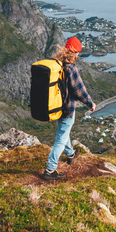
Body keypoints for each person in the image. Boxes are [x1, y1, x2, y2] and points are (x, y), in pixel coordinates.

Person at [42, 36, 95, 181]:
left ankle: (71, 155)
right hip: (67, 109)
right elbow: (79, 91)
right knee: (61, 138)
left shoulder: (58, 65)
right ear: (74, 53)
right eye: (78, 52)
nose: (78, 55)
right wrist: (90, 103)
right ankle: (50, 170)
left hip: (56, 107)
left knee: (64, 133)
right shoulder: (71, 68)